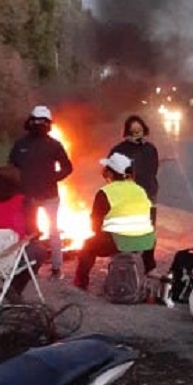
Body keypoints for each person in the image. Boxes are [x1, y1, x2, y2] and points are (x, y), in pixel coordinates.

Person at [73, 153, 155, 290]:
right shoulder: (139, 189)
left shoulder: (105, 192)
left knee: (88, 246)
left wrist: (103, 234)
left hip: (120, 242)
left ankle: (80, 283)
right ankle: (149, 269)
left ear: (110, 172)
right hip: (146, 241)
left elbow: (95, 224)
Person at [9, 105, 73, 280]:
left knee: (53, 232)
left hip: (50, 196)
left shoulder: (54, 145)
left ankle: (56, 269)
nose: (39, 124)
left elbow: (68, 167)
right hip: (27, 197)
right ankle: (30, 267)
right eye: (36, 120)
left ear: (48, 123)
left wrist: (54, 177)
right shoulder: (20, 145)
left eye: (43, 121)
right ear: (30, 121)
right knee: (30, 232)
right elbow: (12, 167)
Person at [0, 165, 46, 303]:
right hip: (6, 258)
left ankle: (10, 288)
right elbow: (33, 232)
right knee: (39, 250)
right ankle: (13, 289)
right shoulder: (24, 202)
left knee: (3, 247)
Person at [109, 115, 160, 273]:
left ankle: (149, 266)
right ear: (127, 132)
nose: (137, 134)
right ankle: (122, 265)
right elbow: (109, 172)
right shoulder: (119, 150)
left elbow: (154, 169)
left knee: (148, 231)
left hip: (148, 195)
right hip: (126, 198)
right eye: (133, 131)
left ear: (144, 131)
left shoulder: (150, 149)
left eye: (140, 131)